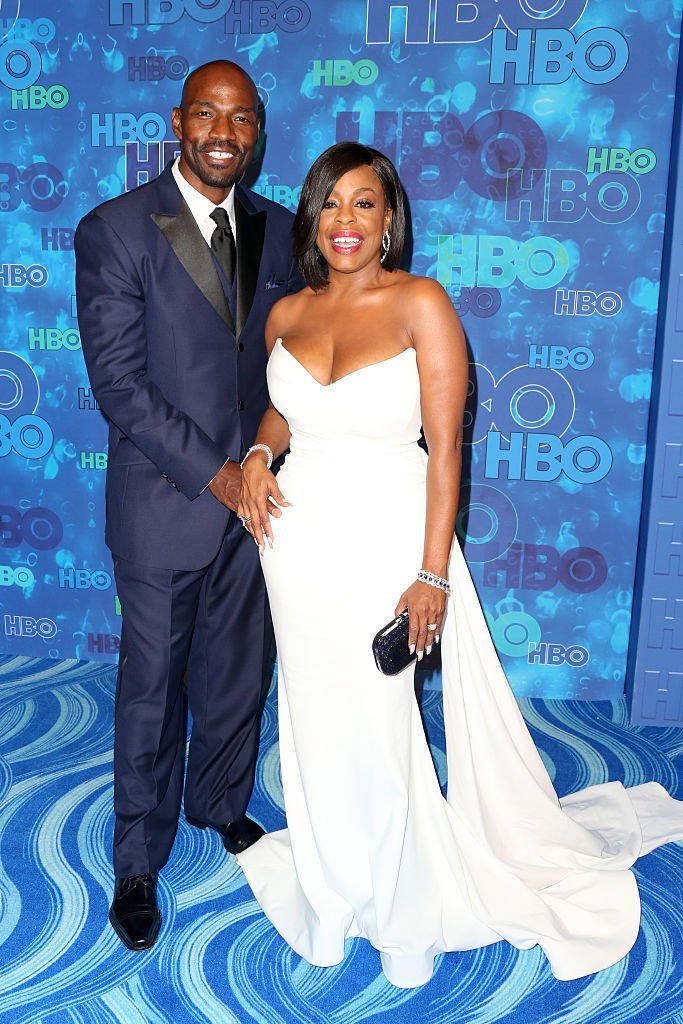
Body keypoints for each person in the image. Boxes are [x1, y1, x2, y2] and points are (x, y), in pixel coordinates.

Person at [235, 141, 683, 989]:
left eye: (364, 204)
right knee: (312, 716)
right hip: (294, 544)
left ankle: (405, 906)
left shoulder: (422, 304)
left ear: (389, 219)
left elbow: (445, 451)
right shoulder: (286, 314)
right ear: (311, 217)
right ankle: (334, 890)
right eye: (330, 204)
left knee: (377, 720)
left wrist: (430, 572)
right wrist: (259, 452)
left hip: (387, 535)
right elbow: (286, 409)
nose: (345, 221)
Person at [75, 60, 300, 952]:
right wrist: (221, 475)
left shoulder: (283, 230)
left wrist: (263, 469)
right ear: (178, 122)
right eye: (206, 114)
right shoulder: (116, 229)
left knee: (238, 673)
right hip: (168, 500)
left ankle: (218, 807)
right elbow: (120, 387)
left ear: (257, 130)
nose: (222, 131)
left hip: (261, 503)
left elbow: (291, 361)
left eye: (240, 118)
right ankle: (137, 860)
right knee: (151, 689)